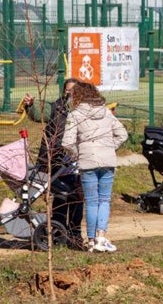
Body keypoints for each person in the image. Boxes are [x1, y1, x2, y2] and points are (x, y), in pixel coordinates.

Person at [62, 82, 128, 252]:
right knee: (104, 200)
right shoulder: (106, 112)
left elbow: (67, 143)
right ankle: (101, 237)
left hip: (87, 162)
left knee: (91, 201)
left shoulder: (75, 115)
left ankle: (91, 241)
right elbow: (122, 134)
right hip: (107, 161)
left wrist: (79, 154)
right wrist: (109, 148)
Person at [24, 78, 84, 249]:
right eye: (67, 90)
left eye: (74, 90)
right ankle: (58, 232)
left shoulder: (84, 110)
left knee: (77, 197)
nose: (70, 93)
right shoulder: (56, 108)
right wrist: (31, 105)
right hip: (57, 160)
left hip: (78, 162)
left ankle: (75, 234)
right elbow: (38, 113)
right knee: (61, 195)